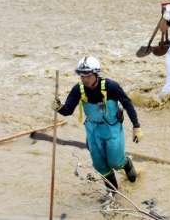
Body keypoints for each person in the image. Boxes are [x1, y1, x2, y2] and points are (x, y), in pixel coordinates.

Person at [53, 56, 142, 205]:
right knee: (100, 164)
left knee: (115, 162)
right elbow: (68, 111)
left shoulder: (111, 86)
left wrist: (136, 126)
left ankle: (126, 163)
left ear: (96, 74)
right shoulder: (78, 89)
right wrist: (58, 107)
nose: (84, 79)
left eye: (87, 76)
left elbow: (127, 103)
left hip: (112, 127)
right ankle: (112, 192)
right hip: (93, 130)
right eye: (82, 76)